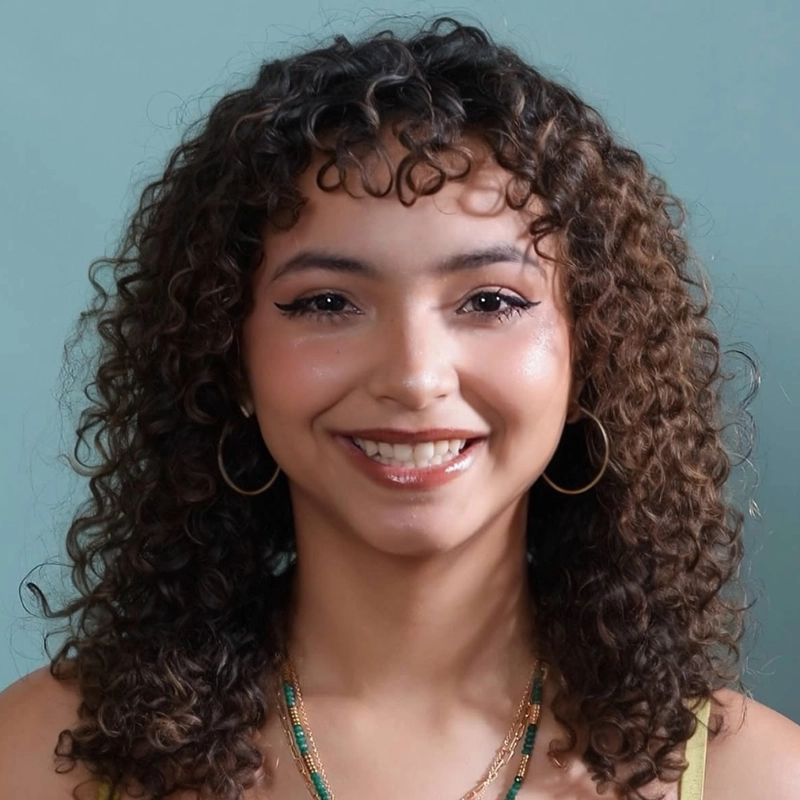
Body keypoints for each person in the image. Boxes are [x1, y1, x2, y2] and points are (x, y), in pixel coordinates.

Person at [1, 14, 799, 800]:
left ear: (591, 351)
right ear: (226, 354)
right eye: (324, 303)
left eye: (489, 299)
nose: (416, 378)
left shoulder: (757, 780)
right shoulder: (39, 759)